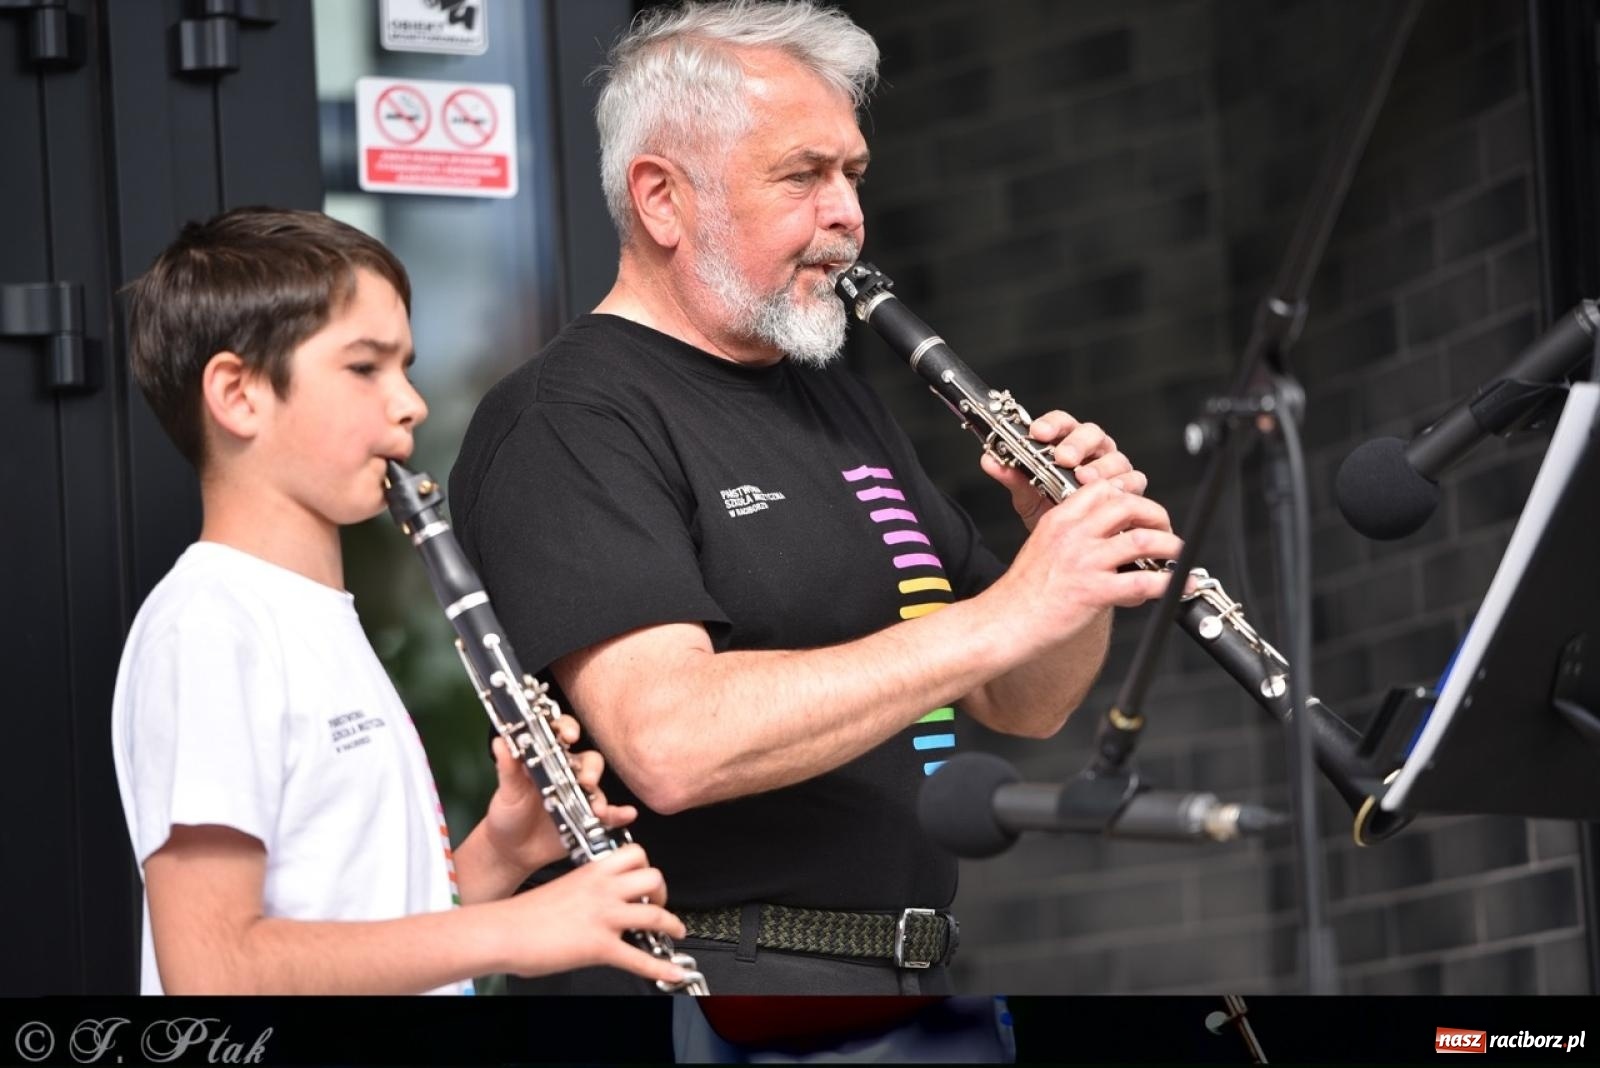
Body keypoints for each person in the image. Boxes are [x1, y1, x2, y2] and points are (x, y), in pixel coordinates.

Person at [449, 0, 1180, 1016]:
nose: (846, 213)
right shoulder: (568, 418)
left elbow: (1023, 699)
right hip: (706, 985)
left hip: (911, 980)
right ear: (661, 199)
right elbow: (670, 743)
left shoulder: (831, 394)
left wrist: (1068, 557)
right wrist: (1002, 612)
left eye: (852, 175)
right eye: (802, 176)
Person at [110, 206, 689, 996]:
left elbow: (371, 923)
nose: (410, 403)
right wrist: (516, 931)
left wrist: (502, 852)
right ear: (239, 393)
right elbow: (212, 971)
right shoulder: (210, 627)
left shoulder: (317, 622)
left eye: (406, 367)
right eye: (364, 368)